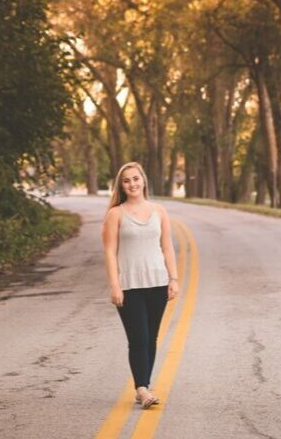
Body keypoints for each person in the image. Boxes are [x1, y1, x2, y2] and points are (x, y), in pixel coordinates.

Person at [101, 161, 180, 409]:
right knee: (139, 338)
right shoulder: (115, 214)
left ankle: (143, 386)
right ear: (121, 186)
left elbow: (167, 247)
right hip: (130, 285)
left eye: (136, 179)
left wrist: (173, 278)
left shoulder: (159, 211)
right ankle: (143, 390)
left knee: (152, 338)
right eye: (127, 181)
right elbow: (110, 252)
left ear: (143, 180)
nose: (132, 184)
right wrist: (115, 285)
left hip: (157, 282)